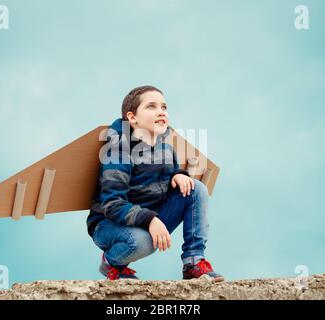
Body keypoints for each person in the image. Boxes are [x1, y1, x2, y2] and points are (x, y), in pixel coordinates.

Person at [86, 85, 224, 281]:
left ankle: (193, 261)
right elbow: (113, 204)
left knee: (196, 188)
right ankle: (111, 262)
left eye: (164, 107)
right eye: (151, 106)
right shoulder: (118, 152)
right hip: (110, 225)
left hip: (149, 218)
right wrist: (150, 220)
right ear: (132, 117)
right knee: (142, 242)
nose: (161, 112)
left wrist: (178, 174)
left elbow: (166, 177)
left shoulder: (166, 149)